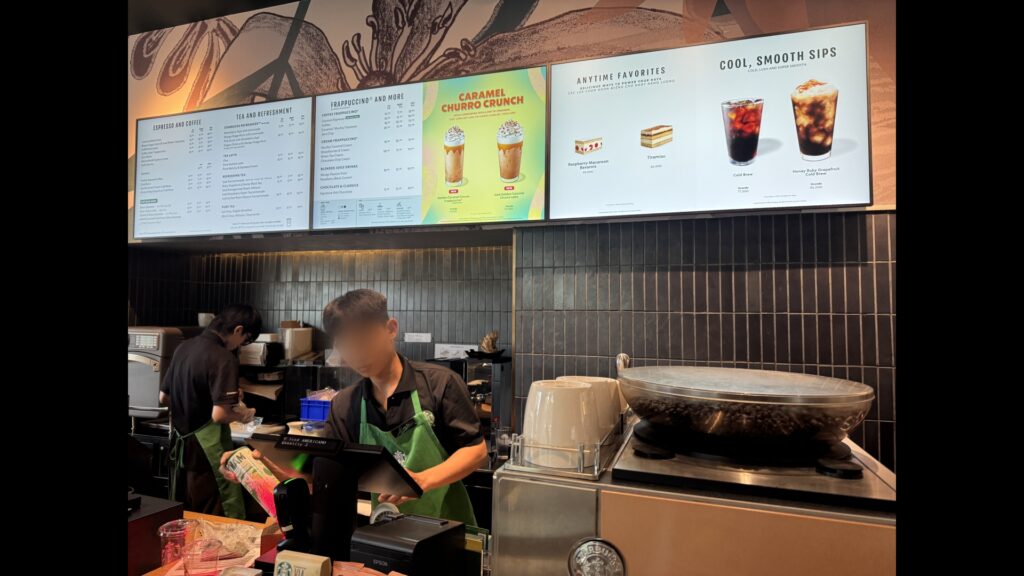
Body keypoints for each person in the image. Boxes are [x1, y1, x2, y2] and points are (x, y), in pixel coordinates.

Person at [221, 289, 487, 526]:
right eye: (345, 344)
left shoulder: (440, 383)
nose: (356, 353)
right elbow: (324, 475)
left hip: (448, 528)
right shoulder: (346, 403)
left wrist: (424, 480)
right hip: (385, 530)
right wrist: (264, 468)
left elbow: (475, 450)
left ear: (391, 328)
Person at [160, 304, 261, 519]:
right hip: (208, 452)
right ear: (238, 330)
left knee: (185, 514)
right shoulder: (223, 357)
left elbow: (164, 397)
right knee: (216, 515)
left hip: (180, 448)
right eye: (245, 339)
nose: (241, 345)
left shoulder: (183, 347)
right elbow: (220, 415)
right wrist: (244, 414)